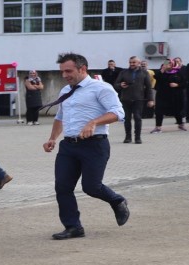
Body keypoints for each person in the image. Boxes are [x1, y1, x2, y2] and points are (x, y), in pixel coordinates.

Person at [42, 52, 129, 240]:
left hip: (94, 145)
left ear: (82, 69)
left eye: (68, 71)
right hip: (69, 147)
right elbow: (60, 117)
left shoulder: (101, 88)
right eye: (62, 72)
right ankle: (73, 227)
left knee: (91, 186)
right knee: (62, 187)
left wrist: (94, 122)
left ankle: (117, 200)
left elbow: (118, 113)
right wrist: (52, 138)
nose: (64, 75)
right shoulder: (65, 91)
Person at [114, 56, 153, 144]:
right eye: (130, 62)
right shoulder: (123, 72)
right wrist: (120, 85)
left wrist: (151, 99)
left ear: (138, 63)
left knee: (138, 118)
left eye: (134, 62)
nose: (131, 64)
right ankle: (128, 137)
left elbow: (148, 87)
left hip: (139, 99)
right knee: (127, 119)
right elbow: (115, 84)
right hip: (126, 99)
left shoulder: (144, 73)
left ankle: (138, 138)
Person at [151, 59, 187, 133]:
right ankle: (158, 127)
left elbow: (185, 83)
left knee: (177, 110)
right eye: (167, 63)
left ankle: (180, 124)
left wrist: (177, 85)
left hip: (175, 95)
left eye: (170, 64)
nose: (168, 65)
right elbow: (156, 77)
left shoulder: (178, 72)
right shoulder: (161, 72)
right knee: (159, 111)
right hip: (162, 95)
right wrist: (163, 69)